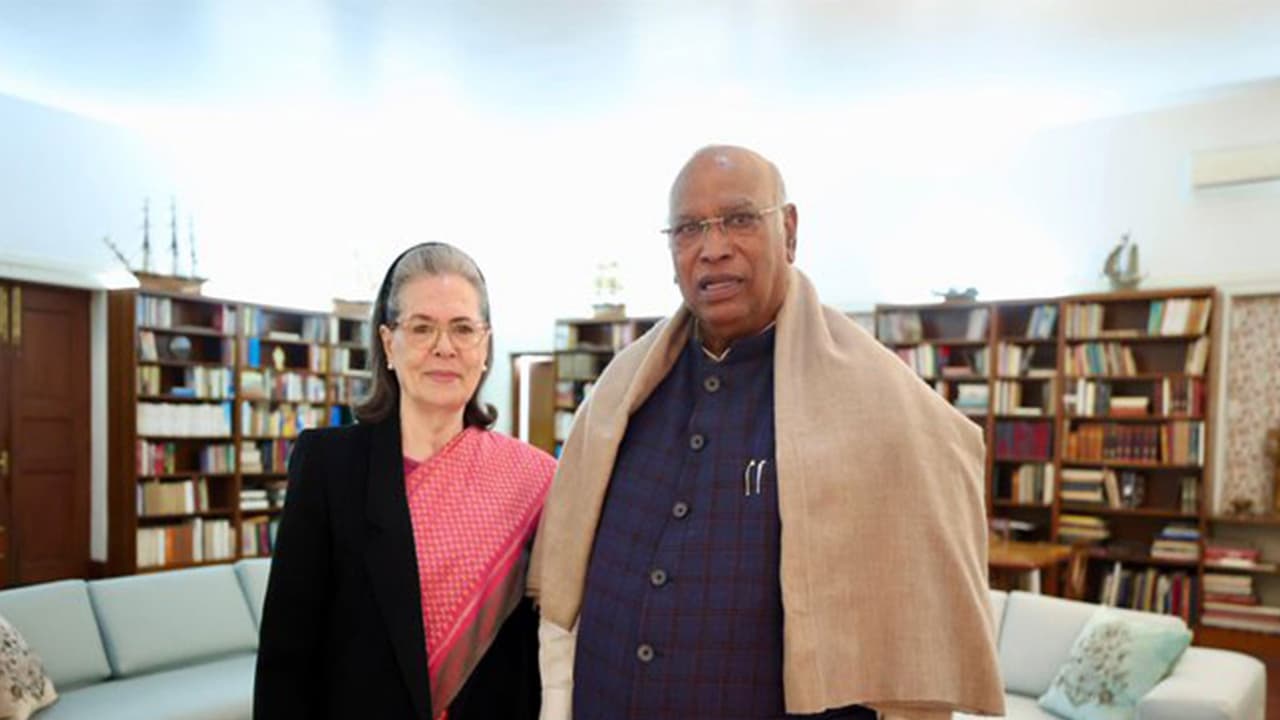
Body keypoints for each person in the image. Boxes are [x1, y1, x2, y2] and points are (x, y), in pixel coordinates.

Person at [529, 146, 1005, 719]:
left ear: (790, 231)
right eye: (688, 229)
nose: (713, 248)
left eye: (739, 219)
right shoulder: (620, 392)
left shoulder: (886, 411)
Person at [255, 242, 555, 720]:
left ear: (485, 348)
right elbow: (286, 656)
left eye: (463, 329)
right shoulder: (329, 466)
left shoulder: (534, 478)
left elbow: (543, 642)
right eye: (421, 328)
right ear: (388, 343)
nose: (444, 346)